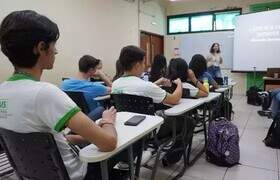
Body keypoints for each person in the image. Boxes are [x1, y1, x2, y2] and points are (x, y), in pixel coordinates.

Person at [0, 10, 117, 180]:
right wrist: (108, 120)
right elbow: (108, 143)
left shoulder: (3, 90)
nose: (56, 51)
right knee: (129, 143)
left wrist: (77, 138)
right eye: (54, 45)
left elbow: (38, 140)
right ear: (41, 48)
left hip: (32, 174)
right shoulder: (45, 93)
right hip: (78, 175)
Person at [112, 45, 184, 166]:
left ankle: (152, 148)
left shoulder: (115, 84)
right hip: (148, 129)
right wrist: (180, 84)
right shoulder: (145, 86)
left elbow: (141, 88)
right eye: (143, 63)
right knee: (187, 122)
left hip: (127, 128)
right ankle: (170, 157)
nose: (145, 66)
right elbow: (175, 99)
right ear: (136, 65)